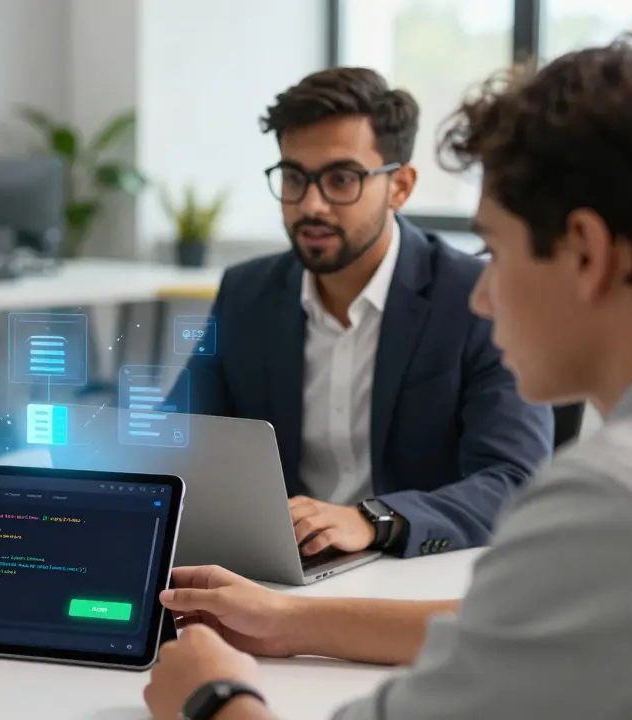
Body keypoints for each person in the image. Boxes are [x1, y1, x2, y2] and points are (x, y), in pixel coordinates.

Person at [145, 34, 632, 719]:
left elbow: (513, 523)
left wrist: (212, 698)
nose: (484, 294)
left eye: (496, 249)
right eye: (296, 178)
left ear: (586, 251)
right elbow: (505, 625)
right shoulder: (251, 293)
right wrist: (289, 620)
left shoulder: (619, 501)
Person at [176, 67, 552, 559]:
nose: (312, 204)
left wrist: (375, 520)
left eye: (341, 179)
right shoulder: (248, 293)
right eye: (294, 177)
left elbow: (515, 479)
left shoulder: (476, 299)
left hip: (419, 573)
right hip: (282, 574)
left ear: (400, 186)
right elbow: (179, 437)